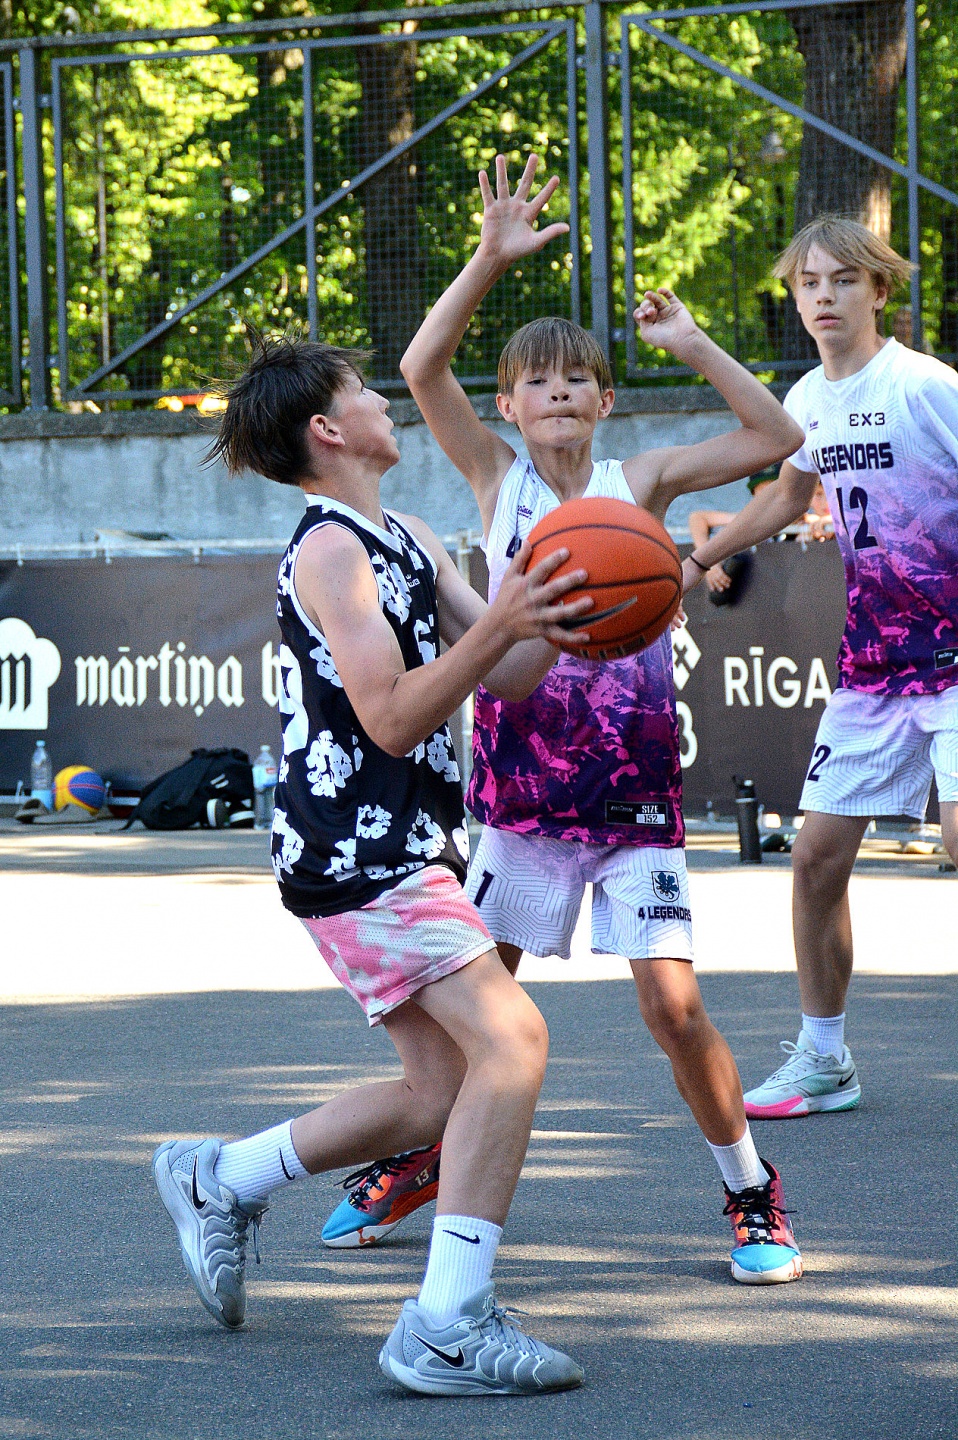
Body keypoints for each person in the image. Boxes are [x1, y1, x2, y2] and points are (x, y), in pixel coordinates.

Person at [321, 153, 805, 1286]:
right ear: (506, 405)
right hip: (521, 800)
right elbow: (419, 365)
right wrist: (488, 259)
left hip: (634, 799)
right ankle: (428, 1154)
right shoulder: (497, 479)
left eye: (578, 379)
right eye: (535, 381)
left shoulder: (642, 483)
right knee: (474, 1011)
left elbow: (776, 439)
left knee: (674, 1009)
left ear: (605, 400)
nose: (557, 394)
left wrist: (694, 342)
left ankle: (749, 1189)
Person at [152, 332, 596, 1396]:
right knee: (514, 1041)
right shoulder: (330, 552)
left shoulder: (407, 534)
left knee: (440, 1089)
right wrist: (500, 624)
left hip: (401, 839)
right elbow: (393, 718)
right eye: (364, 392)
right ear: (327, 429)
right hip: (356, 845)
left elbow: (511, 670)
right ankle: (448, 1322)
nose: (385, 402)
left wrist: (586, 611)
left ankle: (222, 1177)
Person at [681, 215, 958, 1118]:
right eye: (809, 283)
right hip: (875, 670)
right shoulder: (807, 398)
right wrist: (695, 559)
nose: (824, 296)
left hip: (956, 660)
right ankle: (825, 1059)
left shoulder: (927, 387)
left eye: (843, 279)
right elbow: (787, 497)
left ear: (879, 290)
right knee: (814, 860)